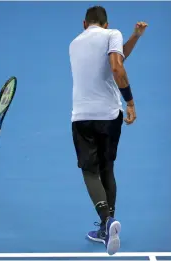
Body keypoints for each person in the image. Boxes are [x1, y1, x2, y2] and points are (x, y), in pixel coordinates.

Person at [69, 6, 148, 255]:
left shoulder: (74, 44)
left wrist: (133, 38)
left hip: (81, 117)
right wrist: (131, 101)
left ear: (84, 24)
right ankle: (107, 225)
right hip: (110, 116)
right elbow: (116, 65)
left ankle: (106, 222)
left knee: (90, 171)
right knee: (107, 168)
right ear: (106, 24)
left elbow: (116, 60)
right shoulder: (112, 33)